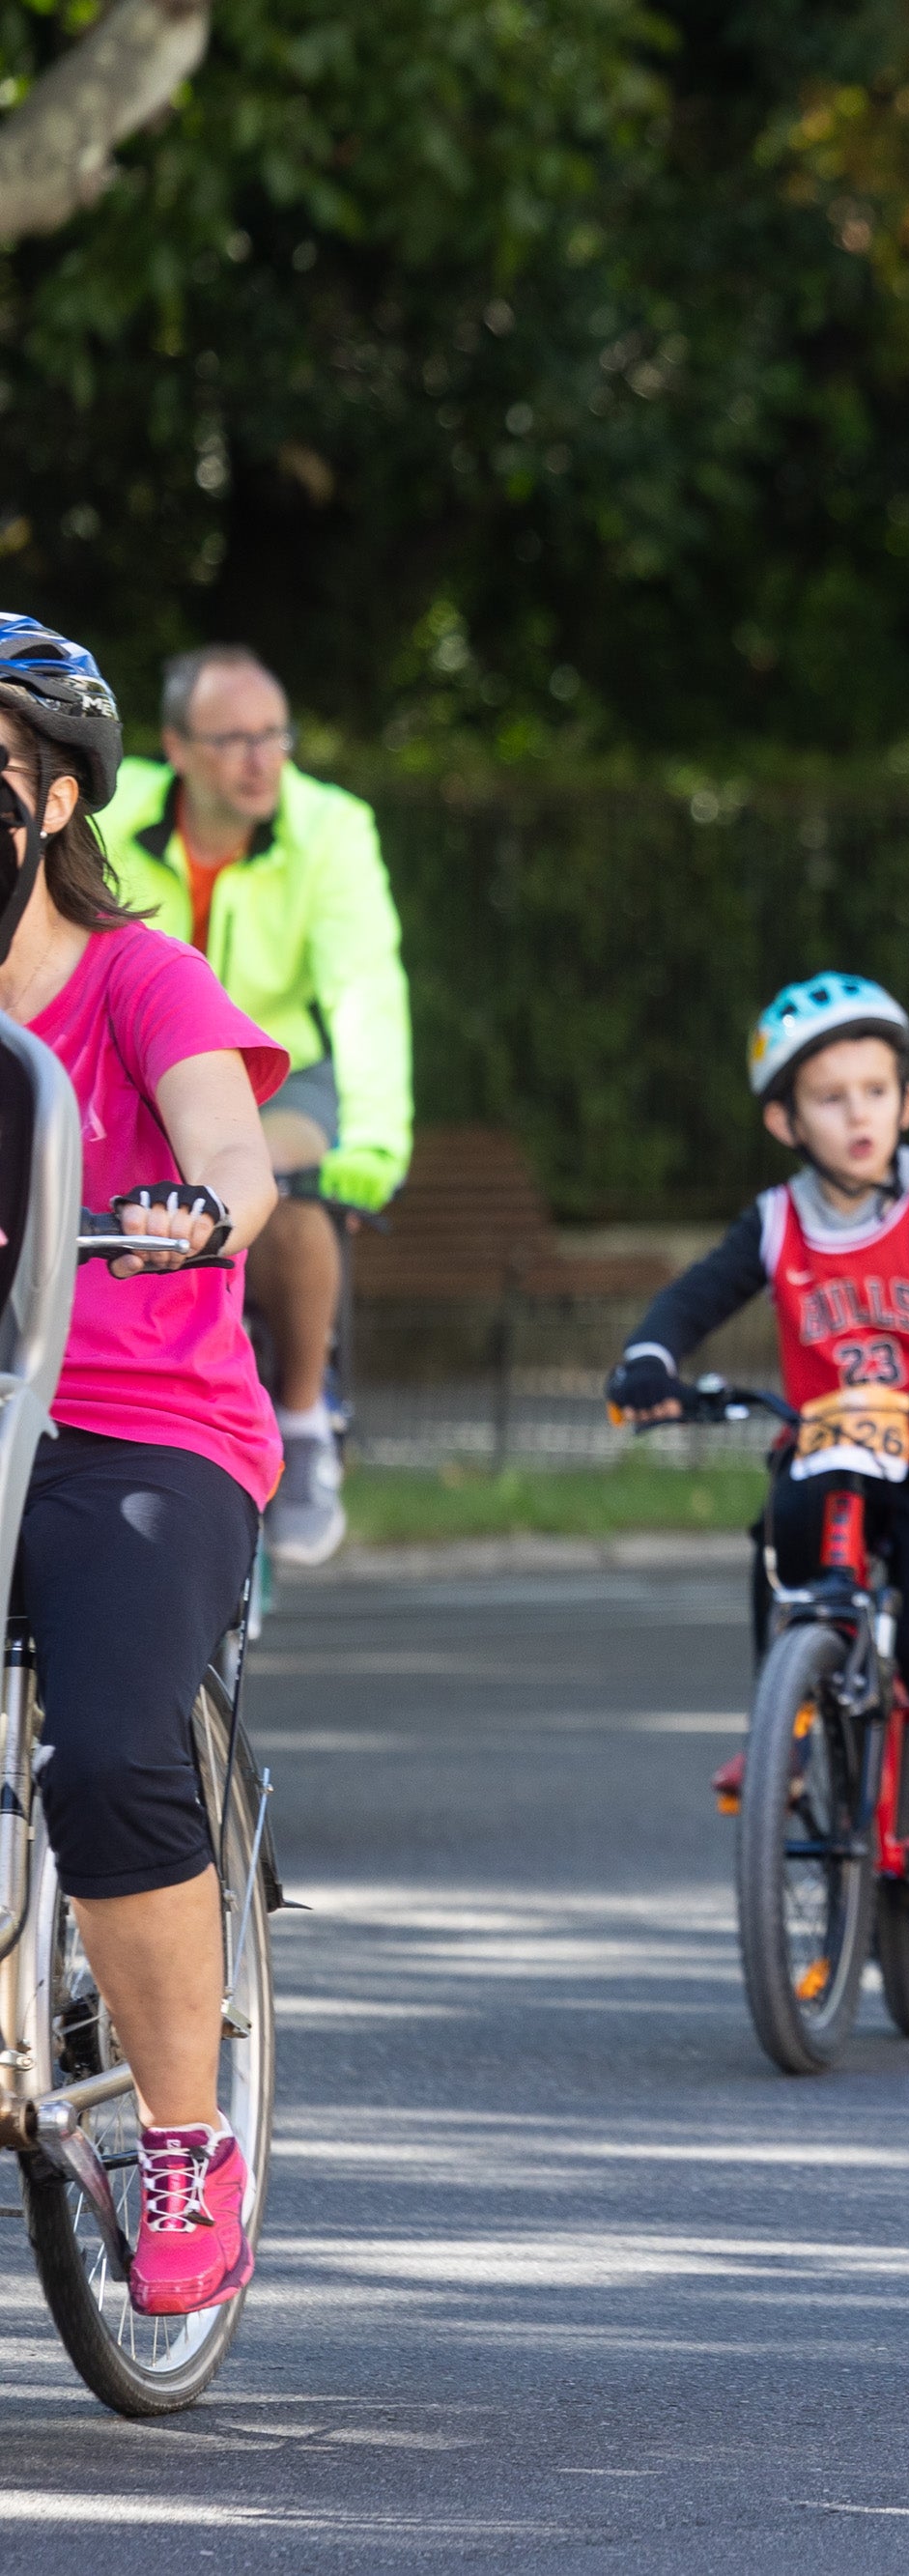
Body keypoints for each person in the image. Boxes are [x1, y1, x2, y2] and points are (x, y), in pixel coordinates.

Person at [0, 618, 286, 2316]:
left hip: (141, 1417)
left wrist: (201, 1212)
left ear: (43, 800)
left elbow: (235, 1153)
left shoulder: (137, 977)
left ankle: (182, 2134)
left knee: (110, 1746)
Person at [608, 977, 909, 1974]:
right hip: (834, 1458)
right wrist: (652, 1360)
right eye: (829, 1097)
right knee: (778, 1531)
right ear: (785, 1119)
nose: (856, 1114)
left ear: (905, 1105)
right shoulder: (777, 1224)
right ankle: (786, 1720)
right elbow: (693, 1300)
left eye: (874, 1091)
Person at [97, 645, 412, 1571]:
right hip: (135, 1065)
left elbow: (364, 987)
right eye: (233, 738)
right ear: (176, 748)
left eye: (275, 736)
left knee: (268, 1175)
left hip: (275, 1069)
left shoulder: (332, 828)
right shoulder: (112, 808)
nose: (261, 758)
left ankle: (308, 1417)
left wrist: (381, 1138)